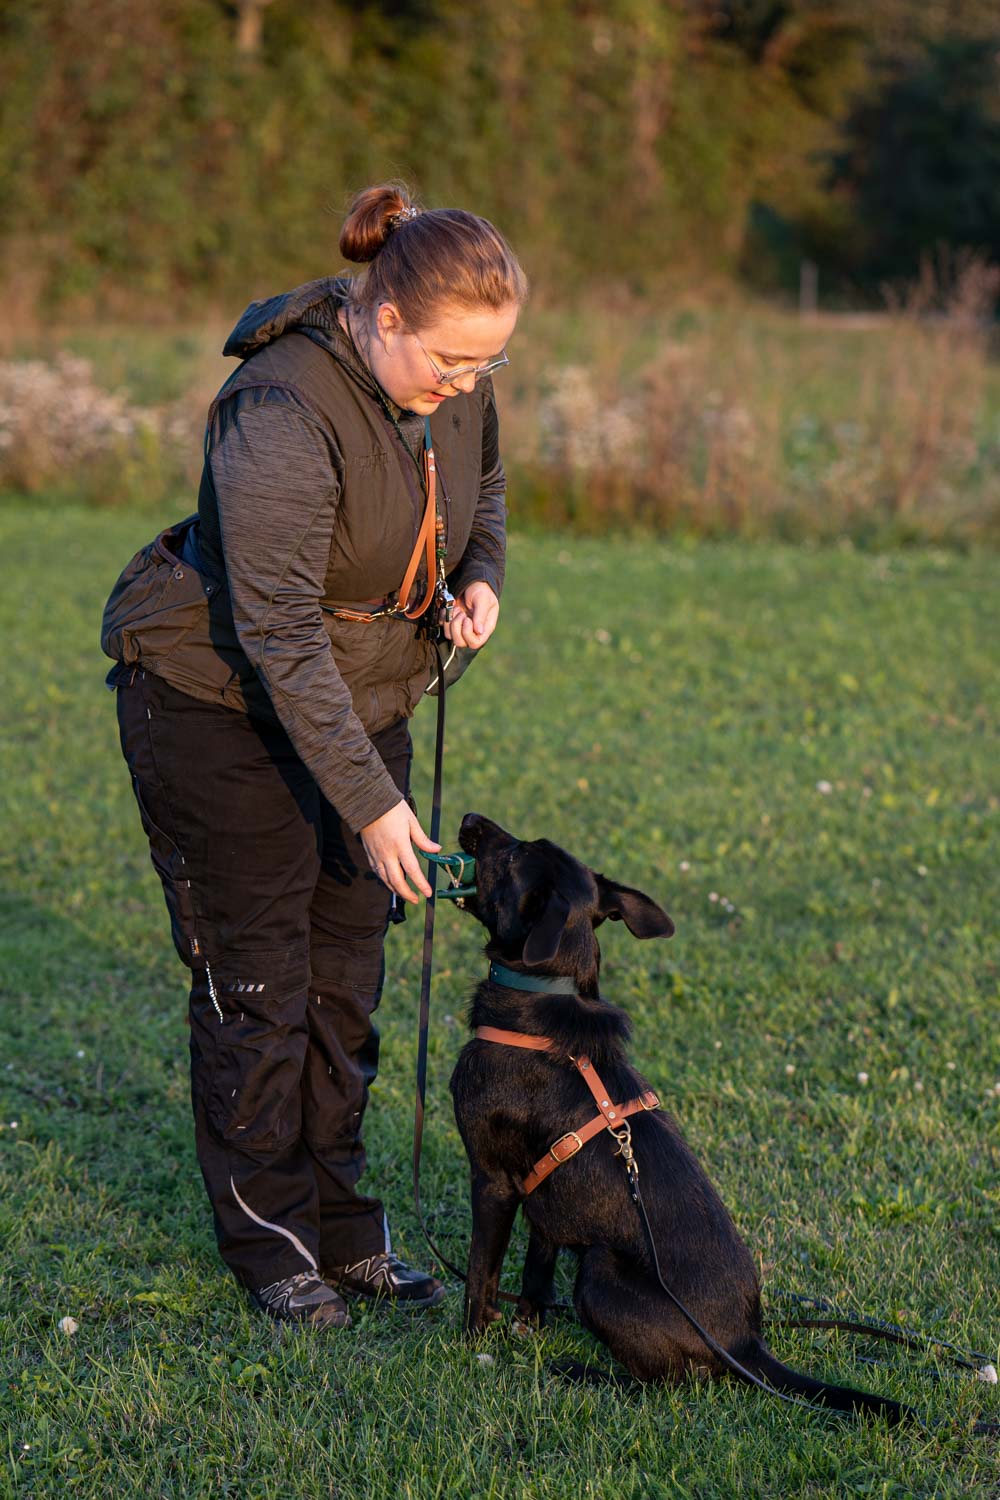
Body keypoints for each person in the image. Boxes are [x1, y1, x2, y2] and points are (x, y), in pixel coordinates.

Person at [101, 183, 527, 1330]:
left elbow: (479, 489)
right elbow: (278, 630)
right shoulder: (279, 406)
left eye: (487, 368)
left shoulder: (454, 389)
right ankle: (272, 1246)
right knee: (262, 986)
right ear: (383, 317)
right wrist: (374, 806)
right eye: (450, 361)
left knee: (346, 982)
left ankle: (346, 1233)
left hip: (361, 697)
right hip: (214, 704)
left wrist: (477, 575)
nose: (466, 387)